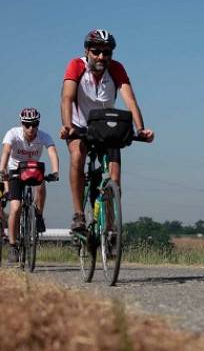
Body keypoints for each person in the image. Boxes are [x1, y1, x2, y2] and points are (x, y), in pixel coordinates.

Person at [60, 29, 154, 233]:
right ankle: (78, 214)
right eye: (96, 51)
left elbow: (130, 100)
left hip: (106, 128)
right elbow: (67, 97)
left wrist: (141, 129)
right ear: (87, 51)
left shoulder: (116, 68)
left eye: (107, 52)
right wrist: (68, 126)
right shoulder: (76, 65)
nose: (102, 56)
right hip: (79, 126)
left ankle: (109, 230)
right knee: (77, 155)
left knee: (115, 180)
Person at [0, 107, 59, 262]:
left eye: (34, 124)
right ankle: (13, 246)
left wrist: (55, 171)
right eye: (27, 125)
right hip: (15, 171)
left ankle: (38, 215)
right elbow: (6, 152)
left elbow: (52, 151)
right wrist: (2, 170)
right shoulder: (12, 134)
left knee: (41, 185)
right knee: (15, 207)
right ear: (22, 124)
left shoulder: (43, 136)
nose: (31, 128)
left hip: (32, 169)